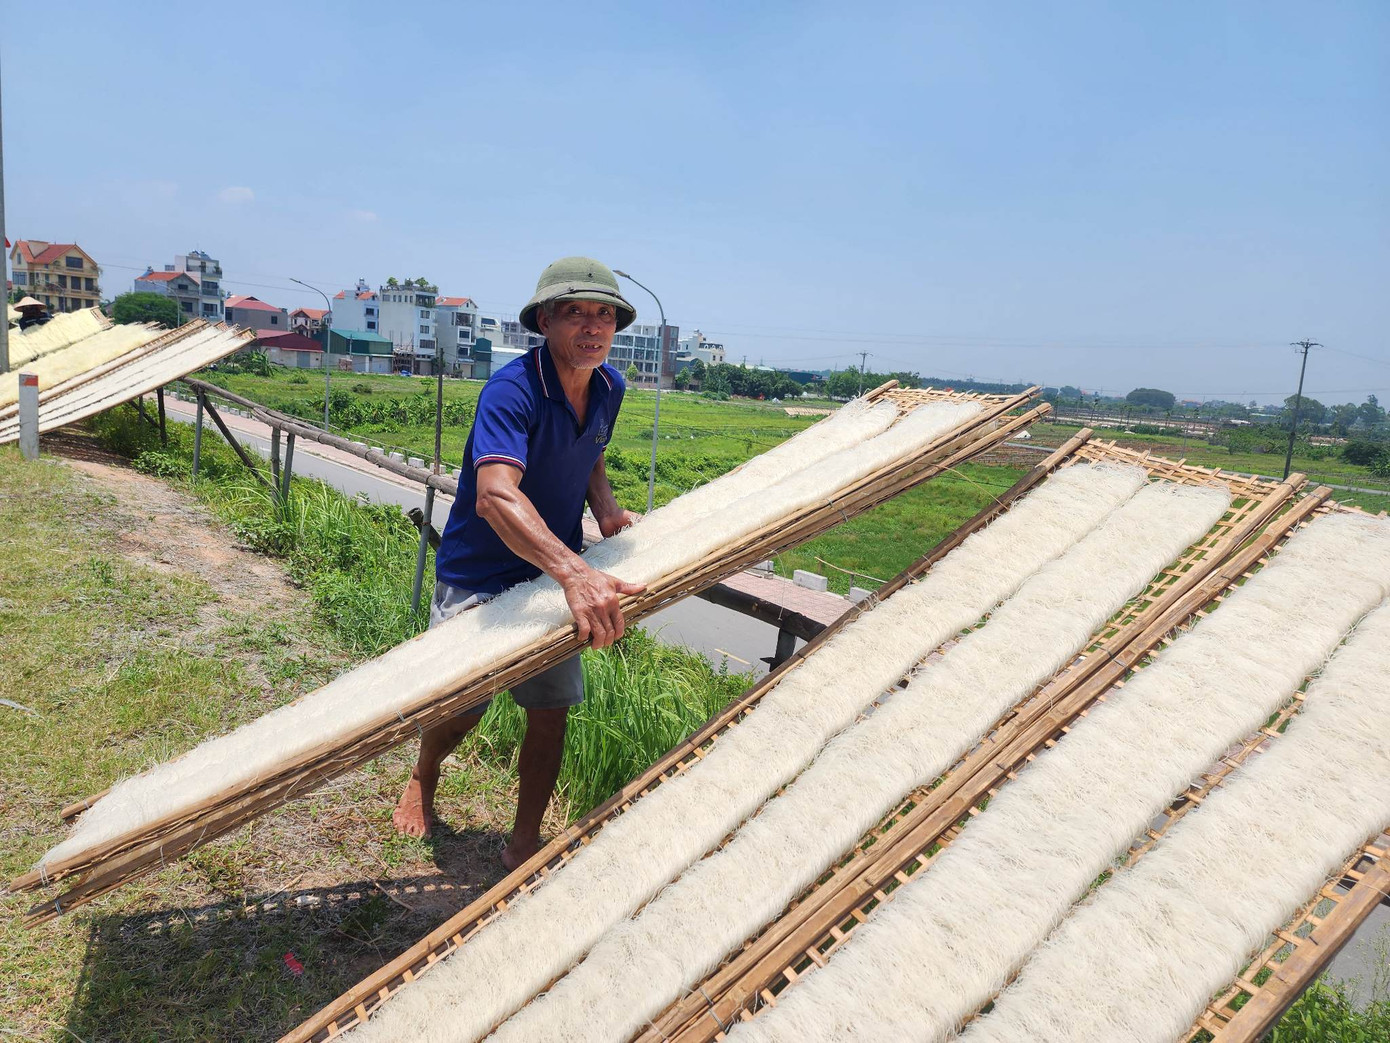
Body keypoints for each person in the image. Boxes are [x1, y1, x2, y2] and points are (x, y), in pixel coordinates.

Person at [393, 256, 646, 869]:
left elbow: (590, 453)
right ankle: (425, 773)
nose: (592, 327)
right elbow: (495, 495)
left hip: (545, 574)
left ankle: (523, 840)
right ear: (546, 322)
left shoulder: (608, 387)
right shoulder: (512, 390)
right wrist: (578, 573)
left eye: (604, 315)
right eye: (575, 313)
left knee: (551, 711)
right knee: (461, 709)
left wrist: (606, 510)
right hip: (481, 574)